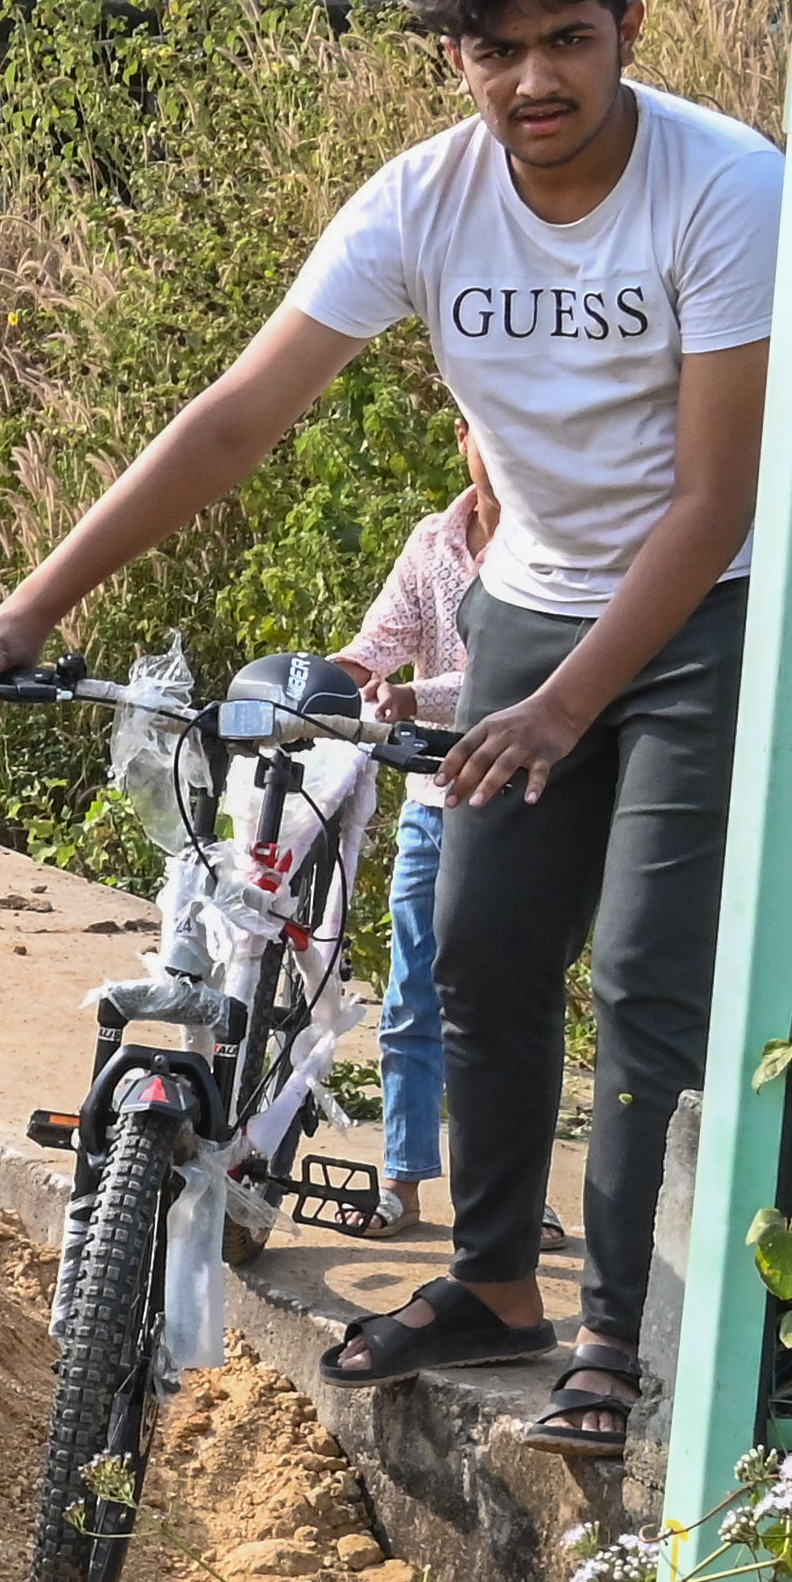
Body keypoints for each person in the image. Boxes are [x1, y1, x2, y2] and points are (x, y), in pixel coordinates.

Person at [0, 0, 776, 1461]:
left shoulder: (723, 188)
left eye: (568, 42)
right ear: (454, 56)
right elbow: (233, 419)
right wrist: (30, 607)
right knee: (479, 955)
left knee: (650, 978)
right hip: (523, 607)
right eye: (497, 51)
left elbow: (721, 496)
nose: (535, 84)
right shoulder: (423, 200)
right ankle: (499, 1283)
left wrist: (568, 700)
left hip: (698, 616)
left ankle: (627, 1330)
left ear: (628, 31)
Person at [336, 439, 496, 1233]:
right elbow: (380, 639)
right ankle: (401, 1180)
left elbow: (519, 677)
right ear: (466, 439)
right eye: (481, 430)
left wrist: (410, 697)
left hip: (513, 803)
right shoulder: (434, 539)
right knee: (409, 998)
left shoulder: (554, 551)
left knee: (501, 1007)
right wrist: (334, 674)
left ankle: (509, 1196)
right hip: (431, 801)